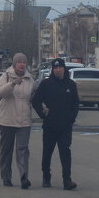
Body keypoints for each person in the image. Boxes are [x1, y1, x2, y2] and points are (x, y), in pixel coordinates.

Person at [31, 58, 80, 189]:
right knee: (47, 153)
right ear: (52, 70)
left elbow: (76, 103)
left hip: (65, 127)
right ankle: (46, 177)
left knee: (65, 154)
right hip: (50, 125)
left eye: (60, 68)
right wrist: (43, 114)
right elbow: (35, 101)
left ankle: (67, 180)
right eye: (55, 68)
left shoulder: (71, 84)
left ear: (64, 68)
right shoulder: (46, 84)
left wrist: (72, 118)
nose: (58, 70)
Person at [0, 53, 35, 188]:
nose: (22, 64)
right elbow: (0, 93)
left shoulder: (30, 79)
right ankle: (6, 177)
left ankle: (24, 177)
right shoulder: (6, 76)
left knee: (23, 150)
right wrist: (12, 83)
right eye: (19, 62)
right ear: (14, 64)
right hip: (7, 120)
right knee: (6, 150)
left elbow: (33, 97)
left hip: (24, 121)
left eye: (24, 62)